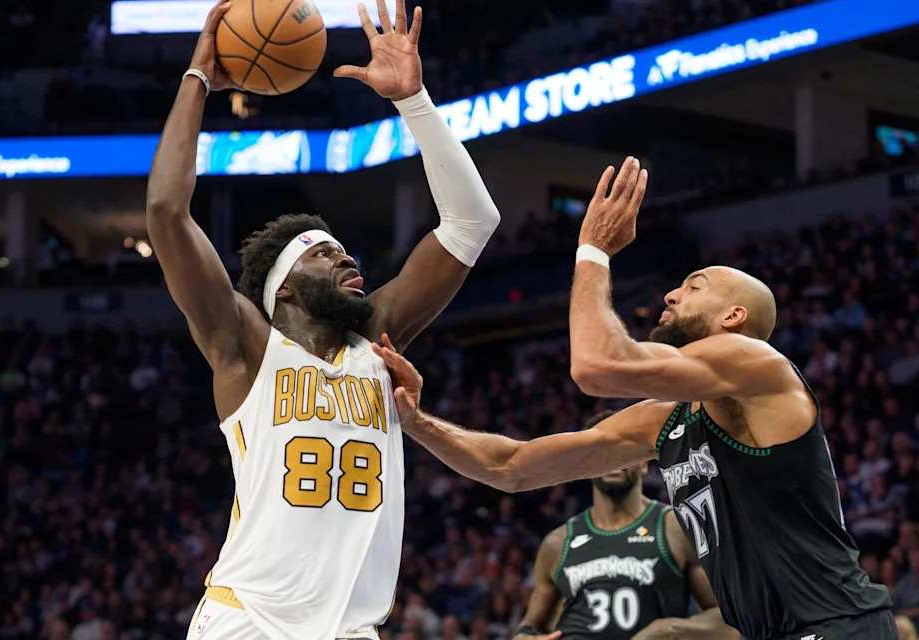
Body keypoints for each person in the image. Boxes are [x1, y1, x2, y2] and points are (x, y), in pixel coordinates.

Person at [368, 158, 894, 640]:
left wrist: (594, 250)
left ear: (733, 317)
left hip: (837, 624)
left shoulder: (757, 364)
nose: (671, 293)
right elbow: (512, 468)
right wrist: (416, 421)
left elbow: (595, 366)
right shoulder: (665, 421)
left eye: (695, 286)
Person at [145, 0, 500, 637]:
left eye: (343, 250)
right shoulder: (244, 346)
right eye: (323, 254)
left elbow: (473, 222)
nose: (347, 258)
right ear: (283, 289)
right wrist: (197, 79)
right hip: (248, 620)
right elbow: (167, 211)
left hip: (350, 628)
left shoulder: (376, 338)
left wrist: (414, 102)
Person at [513, 413, 737, 640]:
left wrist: (670, 630)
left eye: (622, 451)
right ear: (585, 466)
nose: (612, 460)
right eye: (600, 453)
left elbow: (730, 623)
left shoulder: (676, 527)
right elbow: (529, 627)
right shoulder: (558, 542)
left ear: (644, 463)